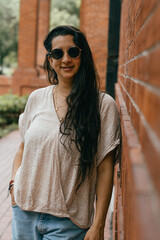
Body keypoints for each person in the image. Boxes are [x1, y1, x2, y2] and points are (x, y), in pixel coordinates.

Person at [9, 25, 121, 240]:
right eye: (58, 53)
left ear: (83, 55)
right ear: (50, 60)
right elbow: (23, 147)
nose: (66, 59)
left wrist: (98, 225)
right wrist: (13, 185)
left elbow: (105, 168)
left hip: (68, 222)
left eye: (73, 51)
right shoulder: (36, 98)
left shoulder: (103, 105)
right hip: (24, 212)